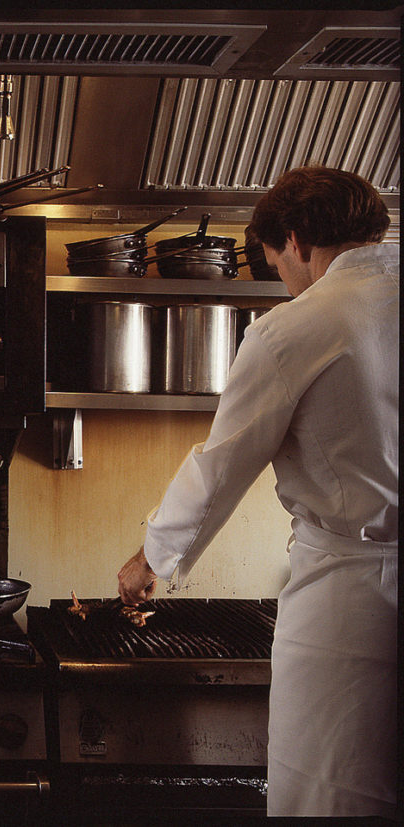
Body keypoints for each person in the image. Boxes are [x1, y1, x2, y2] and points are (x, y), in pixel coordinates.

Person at [117, 166, 397, 819]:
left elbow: (222, 465)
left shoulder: (299, 326)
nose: (288, 283)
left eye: (279, 267)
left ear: (297, 240)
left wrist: (149, 558)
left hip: (351, 613)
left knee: (332, 794)